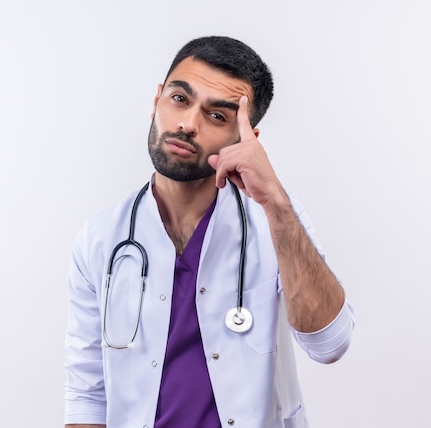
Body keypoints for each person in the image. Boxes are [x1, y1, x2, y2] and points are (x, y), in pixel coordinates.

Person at [64, 35, 355, 428]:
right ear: (156, 101)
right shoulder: (101, 238)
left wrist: (276, 204)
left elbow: (330, 344)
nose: (187, 124)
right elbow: (87, 394)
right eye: (179, 99)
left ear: (245, 139)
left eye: (217, 116)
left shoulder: (277, 221)